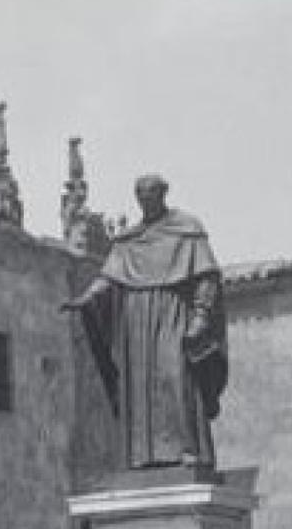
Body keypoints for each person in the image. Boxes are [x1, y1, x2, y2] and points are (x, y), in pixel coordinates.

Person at [61, 174, 227, 471]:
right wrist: (85, 298)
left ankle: (187, 448)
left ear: (163, 193)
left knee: (175, 376)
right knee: (139, 386)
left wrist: (201, 315)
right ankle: (143, 456)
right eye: (139, 194)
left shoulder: (187, 230)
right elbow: (107, 278)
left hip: (172, 313)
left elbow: (207, 276)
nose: (144, 199)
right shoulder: (129, 240)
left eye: (150, 193)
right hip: (136, 323)